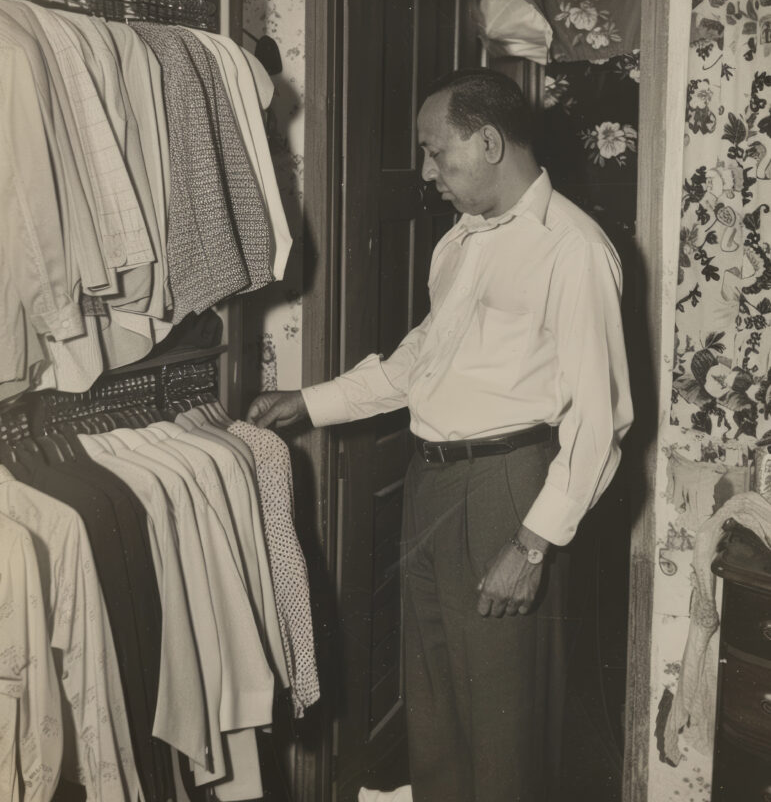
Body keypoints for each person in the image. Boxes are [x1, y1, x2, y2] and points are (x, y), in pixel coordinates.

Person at [247, 68, 633, 802]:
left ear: (488, 141)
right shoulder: (460, 243)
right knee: (434, 706)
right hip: (432, 485)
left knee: (502, 720)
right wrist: (309, 401)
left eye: (435, 152)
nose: (427, 173)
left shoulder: (571, 249)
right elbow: (416, 362)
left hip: (509, 489)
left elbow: (598, 417)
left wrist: (532, 545)